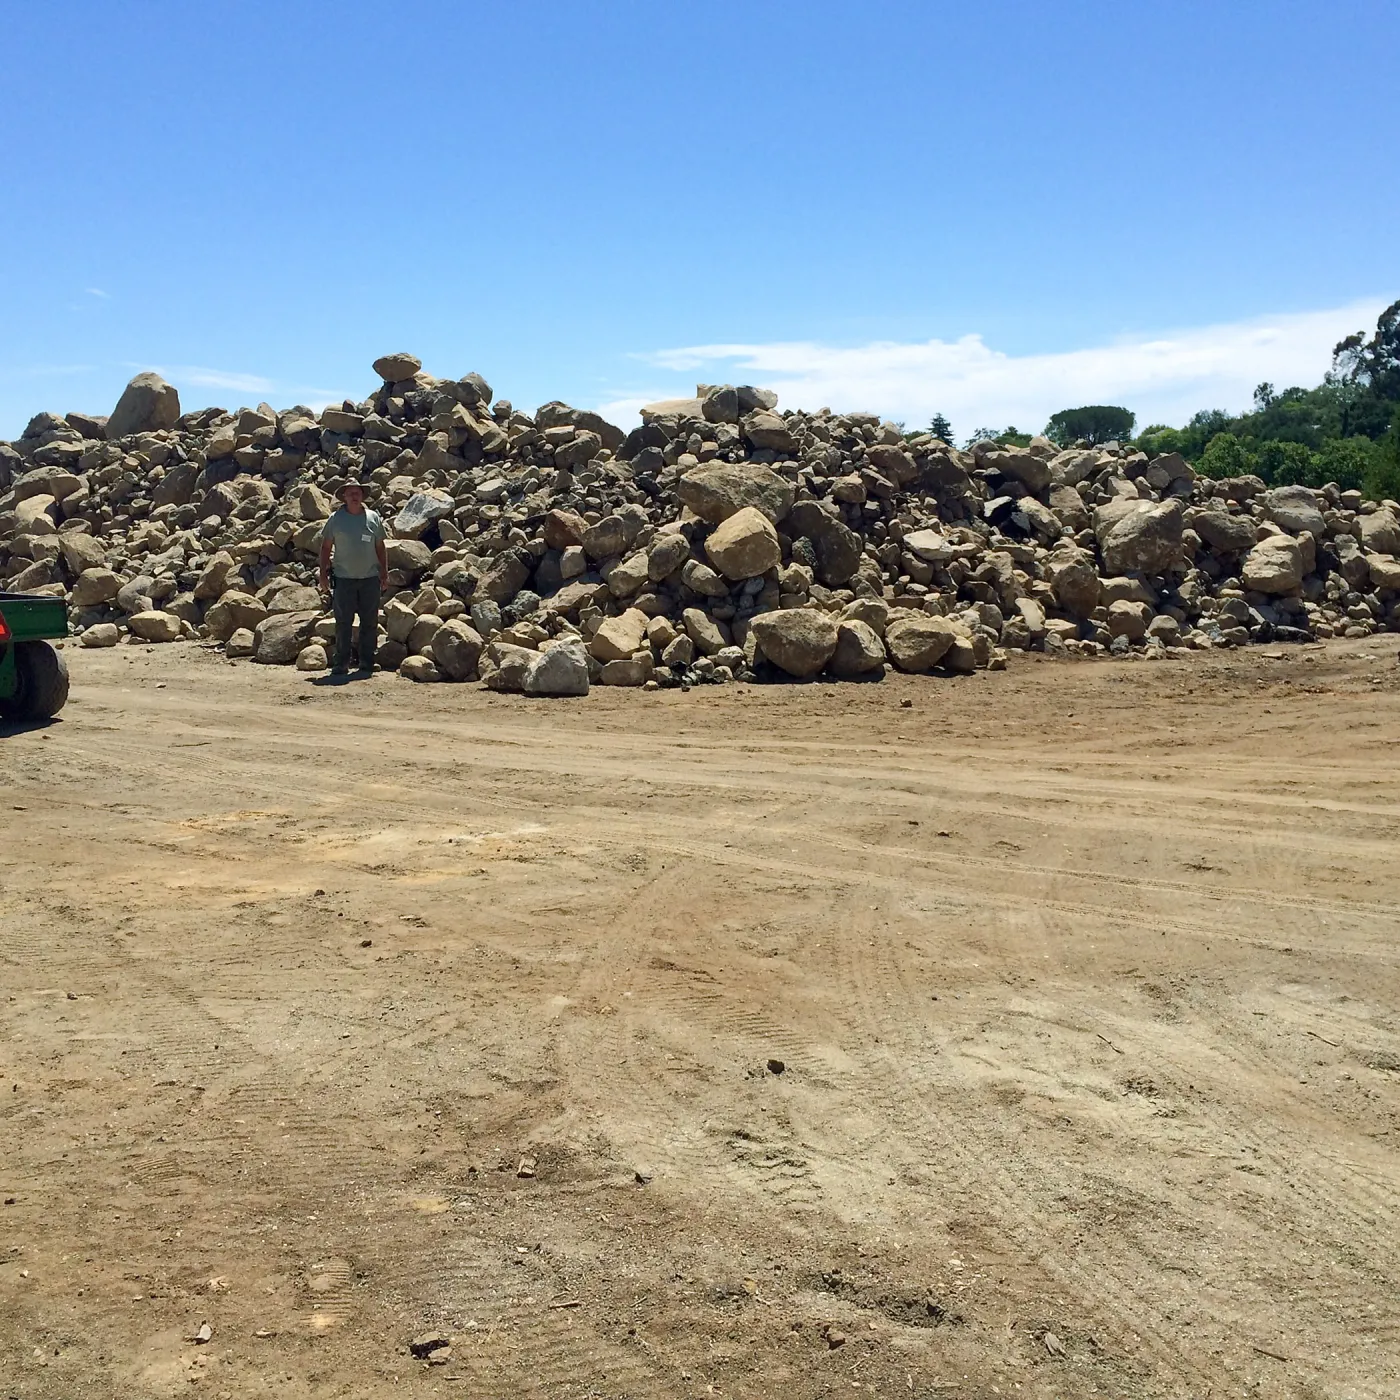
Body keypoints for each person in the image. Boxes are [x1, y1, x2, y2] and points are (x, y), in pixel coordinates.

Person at [318, 480, 388, 675]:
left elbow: (380, 547)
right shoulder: (335, 519)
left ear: (363, 496)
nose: (354, 496)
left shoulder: (373, 518)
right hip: (343, 578)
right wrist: (322, 573)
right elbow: (325, 547)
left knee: (369, 621)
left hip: (370, 578)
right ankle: (341, 663)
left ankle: (367, 662)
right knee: (343, 622)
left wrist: (384, 571)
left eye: (357, 493)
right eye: (351, 493)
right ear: (344, 497)